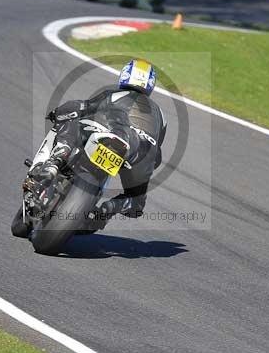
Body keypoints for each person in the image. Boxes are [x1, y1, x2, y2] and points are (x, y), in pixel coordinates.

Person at [26, 59, 167, 230]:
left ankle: (55, 160)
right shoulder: (161, 116)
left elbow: (81, 106)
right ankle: (105, 211)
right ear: (151, 85)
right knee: (136, 204)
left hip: (113, 137)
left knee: (74, 119)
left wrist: (57, 113)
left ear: (125, 75)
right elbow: (157, 155)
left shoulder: (115, 94)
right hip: (140, 156)